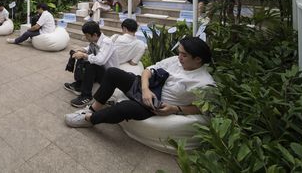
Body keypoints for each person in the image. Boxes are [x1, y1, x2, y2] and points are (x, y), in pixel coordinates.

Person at [64, 36, 214, 128]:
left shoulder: (204, 83)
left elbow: (202, 109)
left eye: (184, 55)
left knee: (123, 108)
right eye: (179, 52)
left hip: (155, 106)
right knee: (113, 73)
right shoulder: (176, 61)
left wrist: (175, 109)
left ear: (198, 59)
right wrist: (145, 89)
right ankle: (93, 109)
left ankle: (89, 119)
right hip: (146, 88)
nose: (179, 57)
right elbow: (148, 70)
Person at [63, 21, 119, 108]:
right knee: (83, 57)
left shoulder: (107, 43)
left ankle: (86, 96)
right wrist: (83, 50)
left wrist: (84, 55)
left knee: (91, 64)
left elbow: (100, 61)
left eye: (87, 36)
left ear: (95, 34)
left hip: (109, 76)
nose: (86, 38)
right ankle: (79, 85)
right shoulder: (95, 40)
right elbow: (89, 48)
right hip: (101, 71)